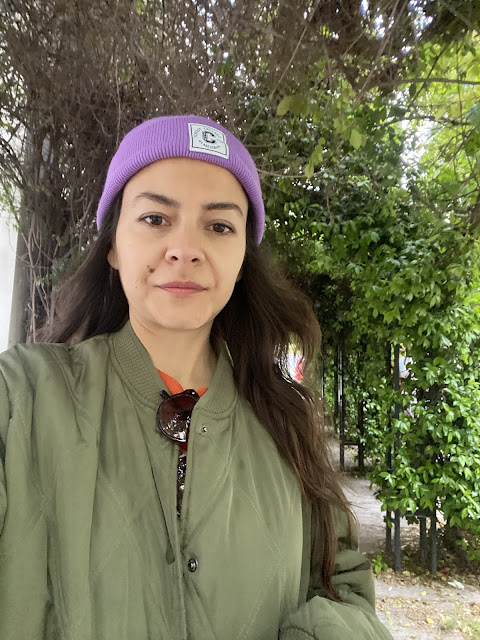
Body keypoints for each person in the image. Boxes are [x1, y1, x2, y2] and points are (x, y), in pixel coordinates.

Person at [0, 115, 393, 640]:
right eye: (155, 218)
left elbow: (344, 588)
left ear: (242, 258)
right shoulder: (21, 398)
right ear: (113, 245)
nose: (184, 248)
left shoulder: (286, 421)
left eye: (219, 226)